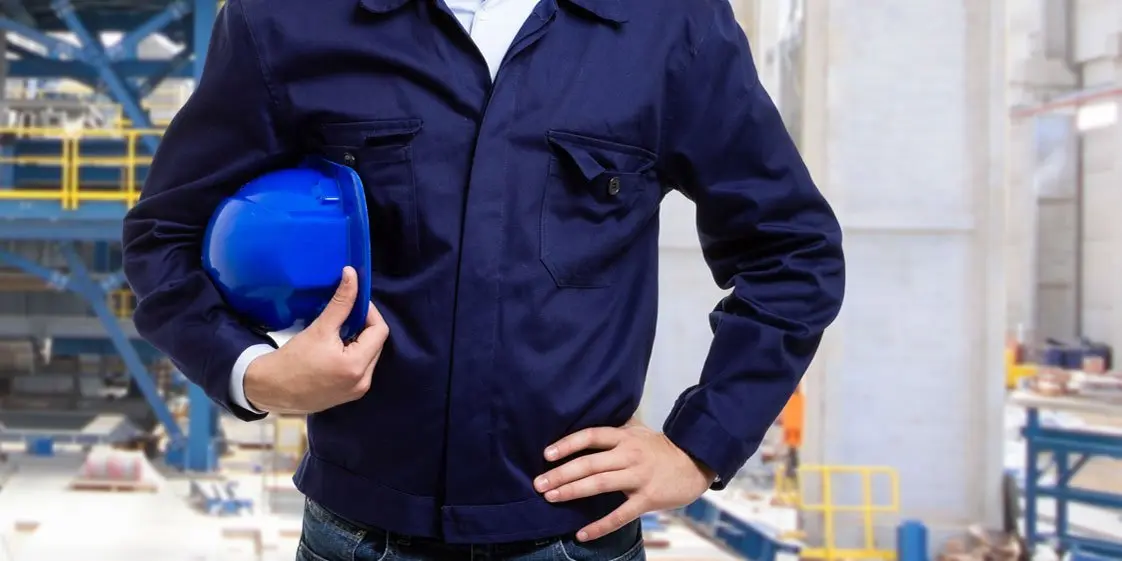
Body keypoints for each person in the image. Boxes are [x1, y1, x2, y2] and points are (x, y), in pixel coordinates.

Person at [121, 0, 845, 558]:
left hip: (574, 538)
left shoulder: (668, 24)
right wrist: (255, 373)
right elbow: (164, 236)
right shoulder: (287, 19)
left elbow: (792, 250)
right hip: (360, 534)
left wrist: (700, 446)